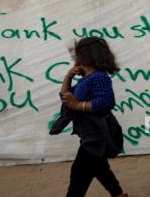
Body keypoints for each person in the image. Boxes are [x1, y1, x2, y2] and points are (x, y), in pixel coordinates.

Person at [50, 36, 128, 197]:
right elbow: (66, 97)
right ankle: (119, 194)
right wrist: (68, 77)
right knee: (100, 168)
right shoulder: (87, 79)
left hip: (97, 135)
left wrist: (78, 105)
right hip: (89, 134)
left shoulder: (99, 77)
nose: (75, 58)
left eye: (77, 54)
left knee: (79, 172)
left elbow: (106, 102)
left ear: (85, 56)